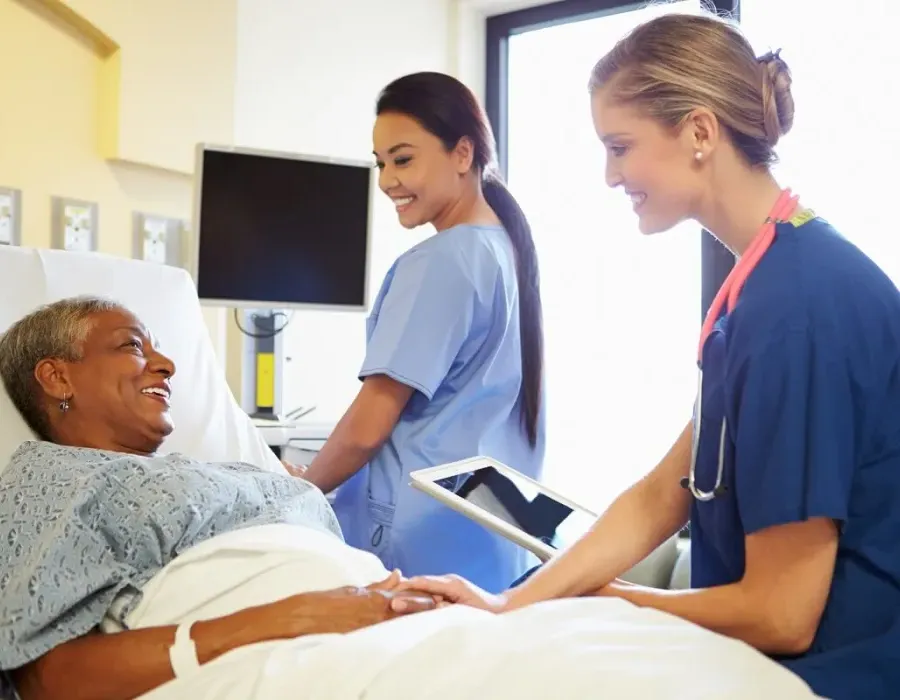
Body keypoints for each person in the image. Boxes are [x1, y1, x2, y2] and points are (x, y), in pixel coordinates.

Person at [394, 12, 900, 700]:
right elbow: (664, 493)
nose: (609, 175)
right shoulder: (760, 287)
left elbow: (784, 613)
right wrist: (510, 603)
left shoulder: (802, 306)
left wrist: (616, 601)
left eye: (620, 146)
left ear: (698, 131)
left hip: (831, 680)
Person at [0, 297, 437, 700]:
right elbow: (46, 677)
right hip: (294, 651)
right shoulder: (49, 478)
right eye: (132, 346)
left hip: (385, 621)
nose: (167, 365)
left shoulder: (222, 471)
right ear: (57, 378)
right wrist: (289, 617)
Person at [301, 71, 546, 592]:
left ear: (463, 153)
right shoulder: (507, 252)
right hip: (498, 535)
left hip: (421, 538)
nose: (388, 179)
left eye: (404, 159)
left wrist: (299, 491)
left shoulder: (441, 261)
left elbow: (371, 423)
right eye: (381, 163)